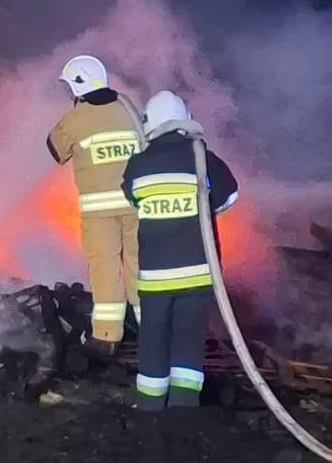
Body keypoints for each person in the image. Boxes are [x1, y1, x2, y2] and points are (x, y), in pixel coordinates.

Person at [121, 90, 238, 410]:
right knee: (188, 342)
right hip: (197, 275)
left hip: (154, 279)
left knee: (153, 341)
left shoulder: (139, 164)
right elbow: (230, 198)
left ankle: (149, 408)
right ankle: (184, 410)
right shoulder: (204, 157)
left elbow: (132, 200)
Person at [46, 54, 144, 355]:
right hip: (137, 205)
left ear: (77, 87)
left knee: (105, 269)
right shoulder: (128, 107)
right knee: (138, 267)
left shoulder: (77, 119)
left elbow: (55, 149)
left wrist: (77, 117)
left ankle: (106, 335)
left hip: (100, 213)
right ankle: (151, 328)